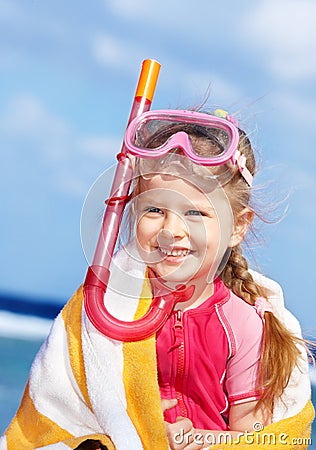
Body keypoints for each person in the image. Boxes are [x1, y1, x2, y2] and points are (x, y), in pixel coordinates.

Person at [0, 108, 313, 450]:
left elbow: (259, 440)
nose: (171, 230)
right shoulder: (111, 306)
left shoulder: (243, 326)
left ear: (237, 226)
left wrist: (192, 438)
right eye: (154, 210)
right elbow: (66, 400)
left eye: (195, 213)